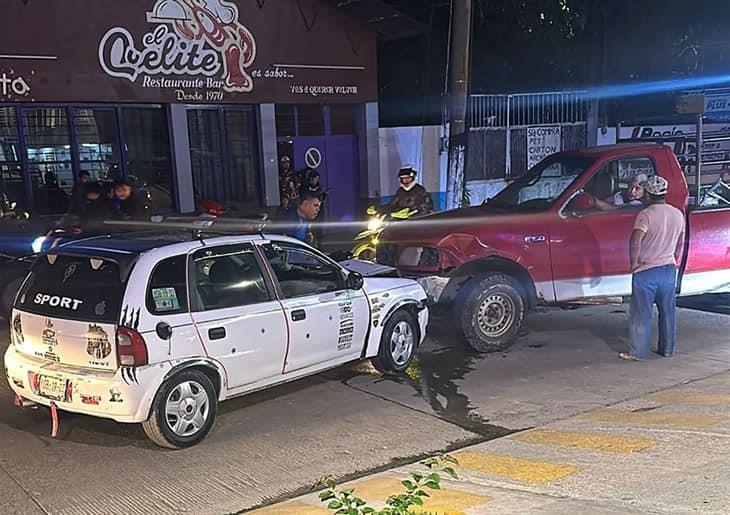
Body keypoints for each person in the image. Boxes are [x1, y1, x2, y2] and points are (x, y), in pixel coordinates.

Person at [621, 175, 685, 362]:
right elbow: (681, 241)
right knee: (668, 312)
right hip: (668, 270)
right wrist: (674, 258)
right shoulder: (677, 214)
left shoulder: (646, 215)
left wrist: (633, 262)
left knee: (642, 313)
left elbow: (636, 239)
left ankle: (639, 352)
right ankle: (668, 349)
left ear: (648, 194)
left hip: (646, 270)